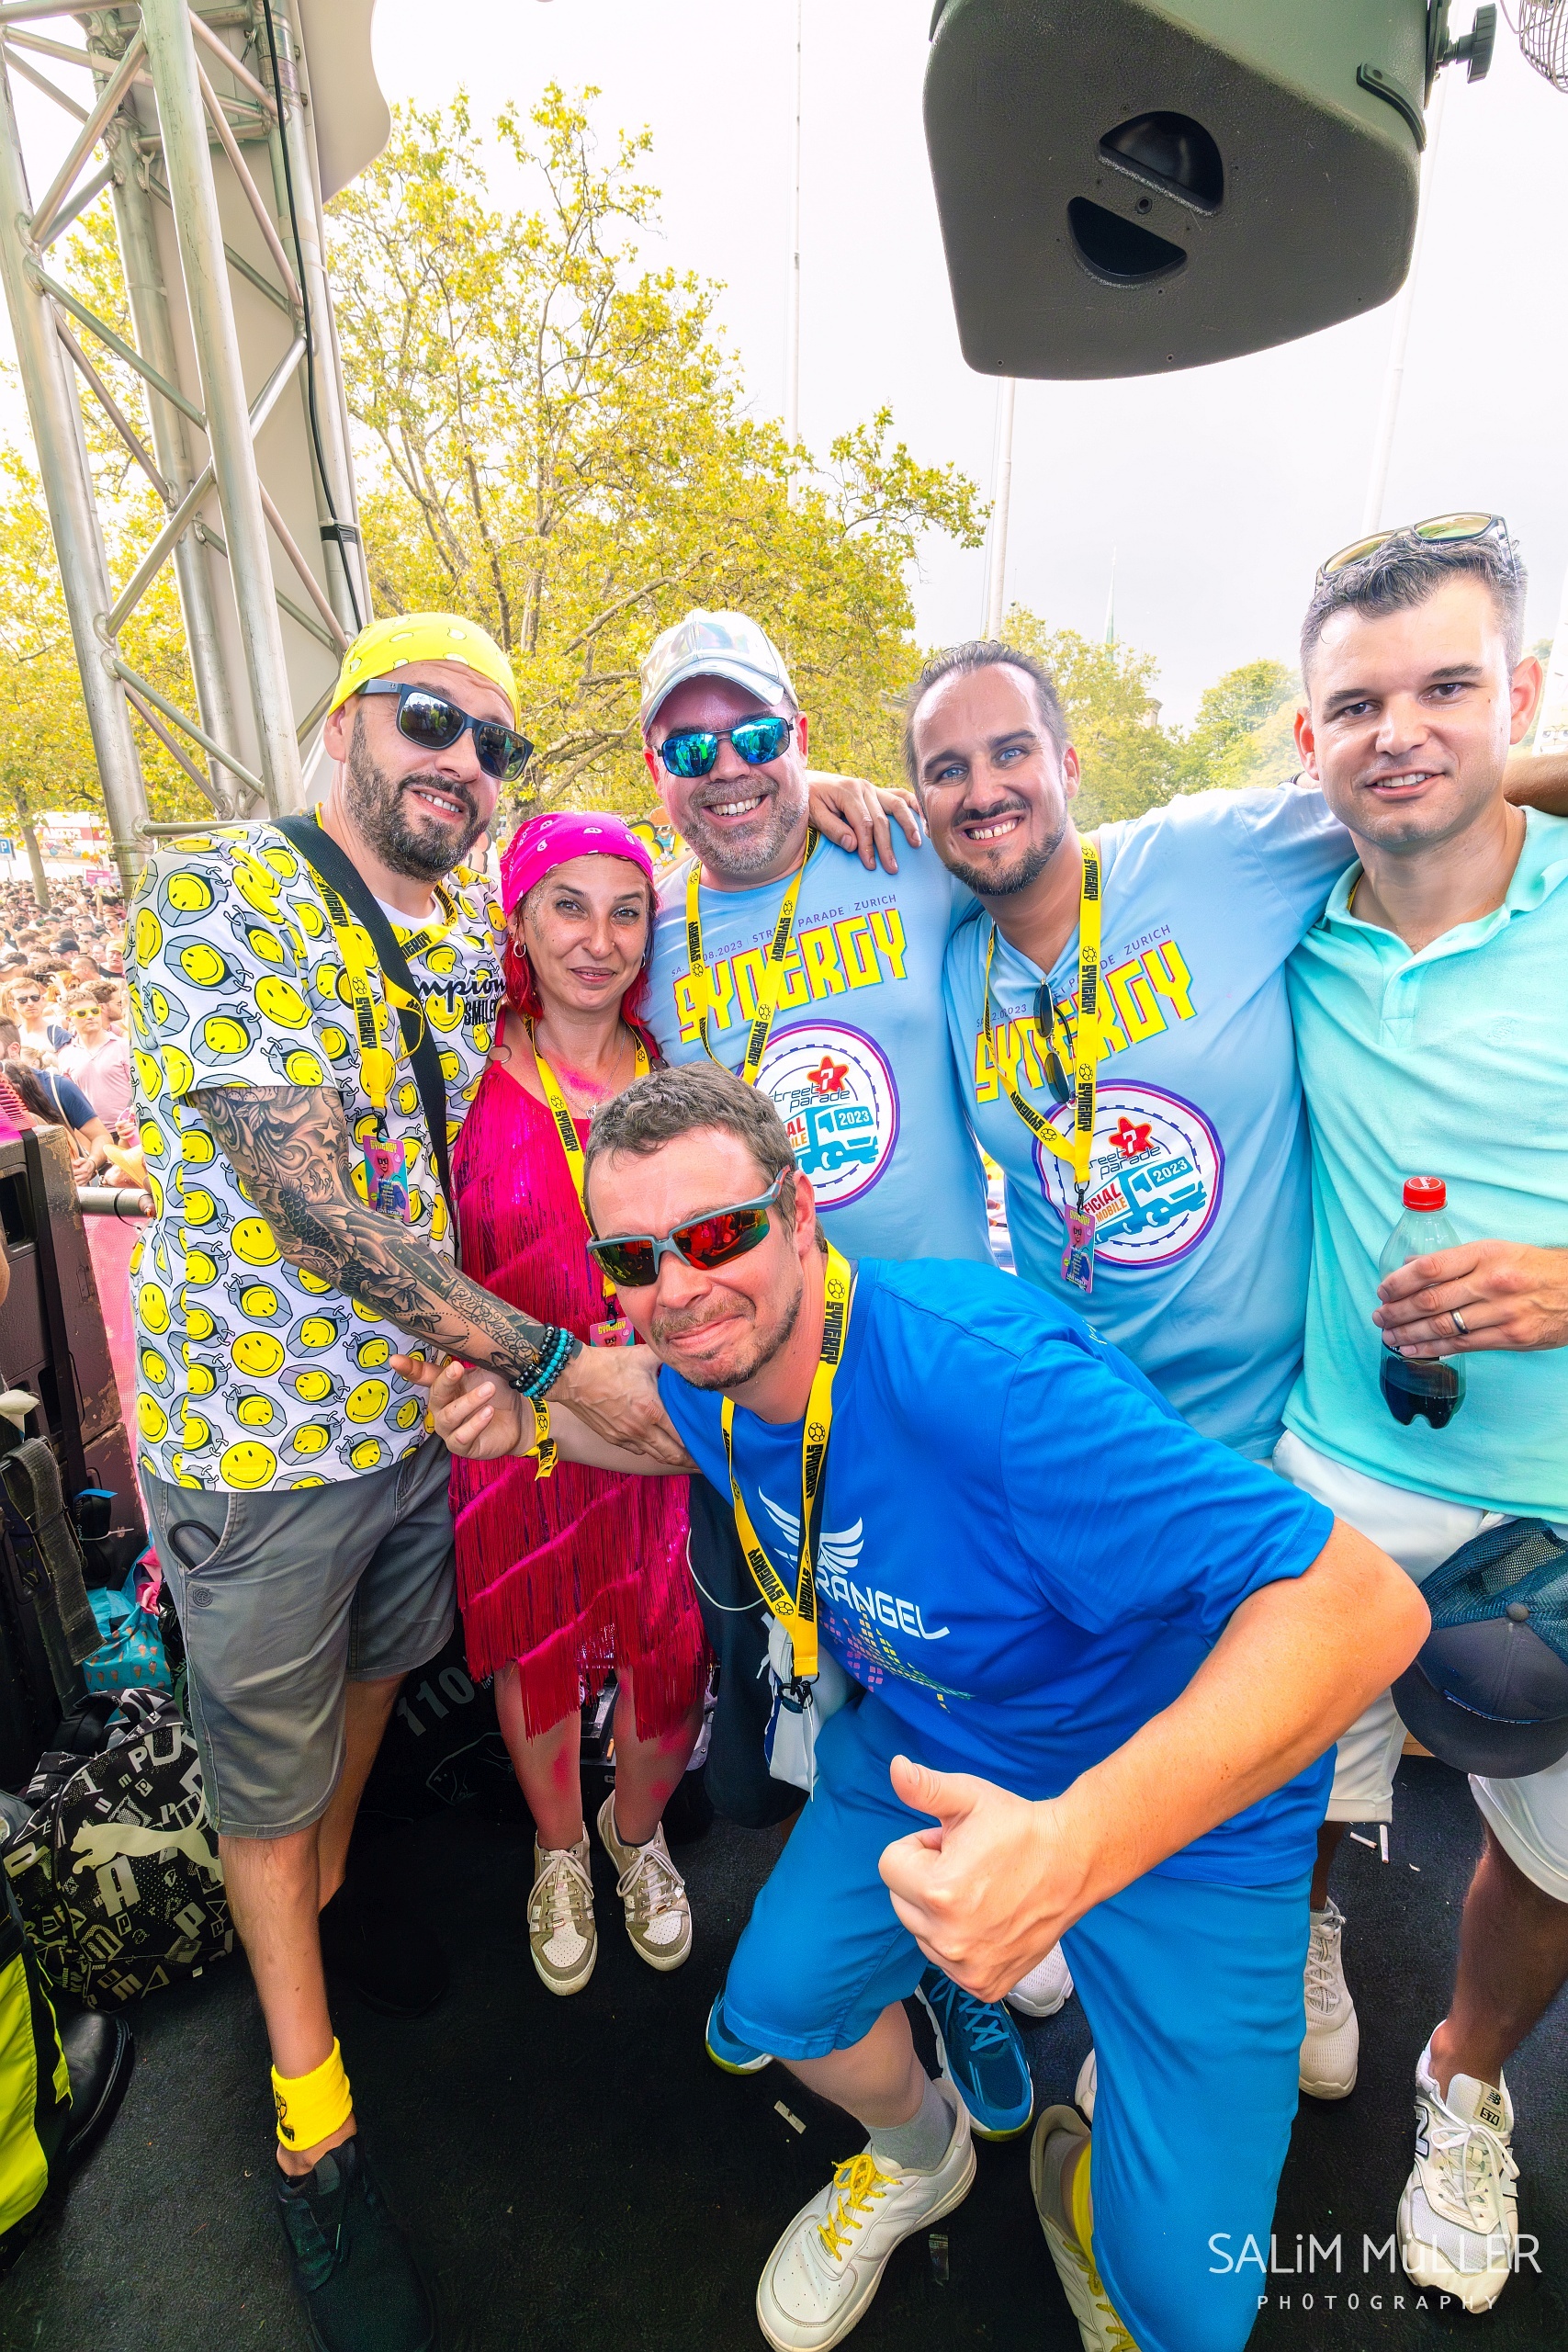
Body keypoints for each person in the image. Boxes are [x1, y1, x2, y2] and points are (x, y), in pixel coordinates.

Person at [401, 1059, 1427, 2352]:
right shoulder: (715, 1367)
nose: (677, 1289)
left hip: (1180, 1807)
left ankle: (1087, 2189)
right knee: (782, 2003)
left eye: (714, 1236)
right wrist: (532, 1429)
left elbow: (1364, 1607)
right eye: (634, 1259)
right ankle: (919, 2153)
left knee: (1187, 2308)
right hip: (930, 1742)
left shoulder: (990, 1383)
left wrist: (1073, 1848)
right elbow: (664, 1423)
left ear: (800, 1215)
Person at [912, 627, 1568, 2089]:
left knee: (1279, 1745)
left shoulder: (1208, 856)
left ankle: (1300, 1950)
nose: (983, 788)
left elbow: (1417, 784)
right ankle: (1097, 1904)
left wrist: (1494, 755)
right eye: (944, 769)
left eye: (1010, 751)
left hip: (1275, 1421)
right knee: (1121, 1701)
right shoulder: (945, 961)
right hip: (1100, 1430)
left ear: (1068, 761)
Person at [638, 609, 1046, 2137]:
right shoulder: (651, 935)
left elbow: (1047, 846)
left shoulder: (907, 853)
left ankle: (970, 1969)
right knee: (831, 1700)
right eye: (692, 747)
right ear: (656, 774)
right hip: (764, 1402)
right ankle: (884, 1961)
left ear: (801, 736)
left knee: (971, 1680)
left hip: (930, 1382)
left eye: (757, 736)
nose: (728, 767)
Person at [1277, 520, 1568, 2312]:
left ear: (1517, 691)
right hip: (1331, 1466)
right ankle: (1312, 1939)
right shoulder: (1284, 925)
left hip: (1554, 1510)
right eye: (1358, 702)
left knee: (1549, 1857)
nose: (1400, 732)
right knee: (1296, 1779)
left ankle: (1460, 2078)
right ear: (1305, 734)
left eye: (1446, 686)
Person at [451, 811, 706, 1994]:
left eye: (626, 911)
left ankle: (636, 1835)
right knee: (538, 1653)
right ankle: (559, 1849)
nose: (598, 939)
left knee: (674, 1652)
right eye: (568, 906)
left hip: (658, 1420)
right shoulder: (459, 1064)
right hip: (520, 1427)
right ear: (519, 920)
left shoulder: (681, 1063)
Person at [57, 989, 132, 1125]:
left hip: (131, 1126)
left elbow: (139, 1090)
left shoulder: (123, 1046)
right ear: (69, 1019)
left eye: (94, 1011)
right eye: (82, 1013)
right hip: (95, 1131)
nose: (90, 1016)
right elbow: (72, 1101)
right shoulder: (65, 1056)